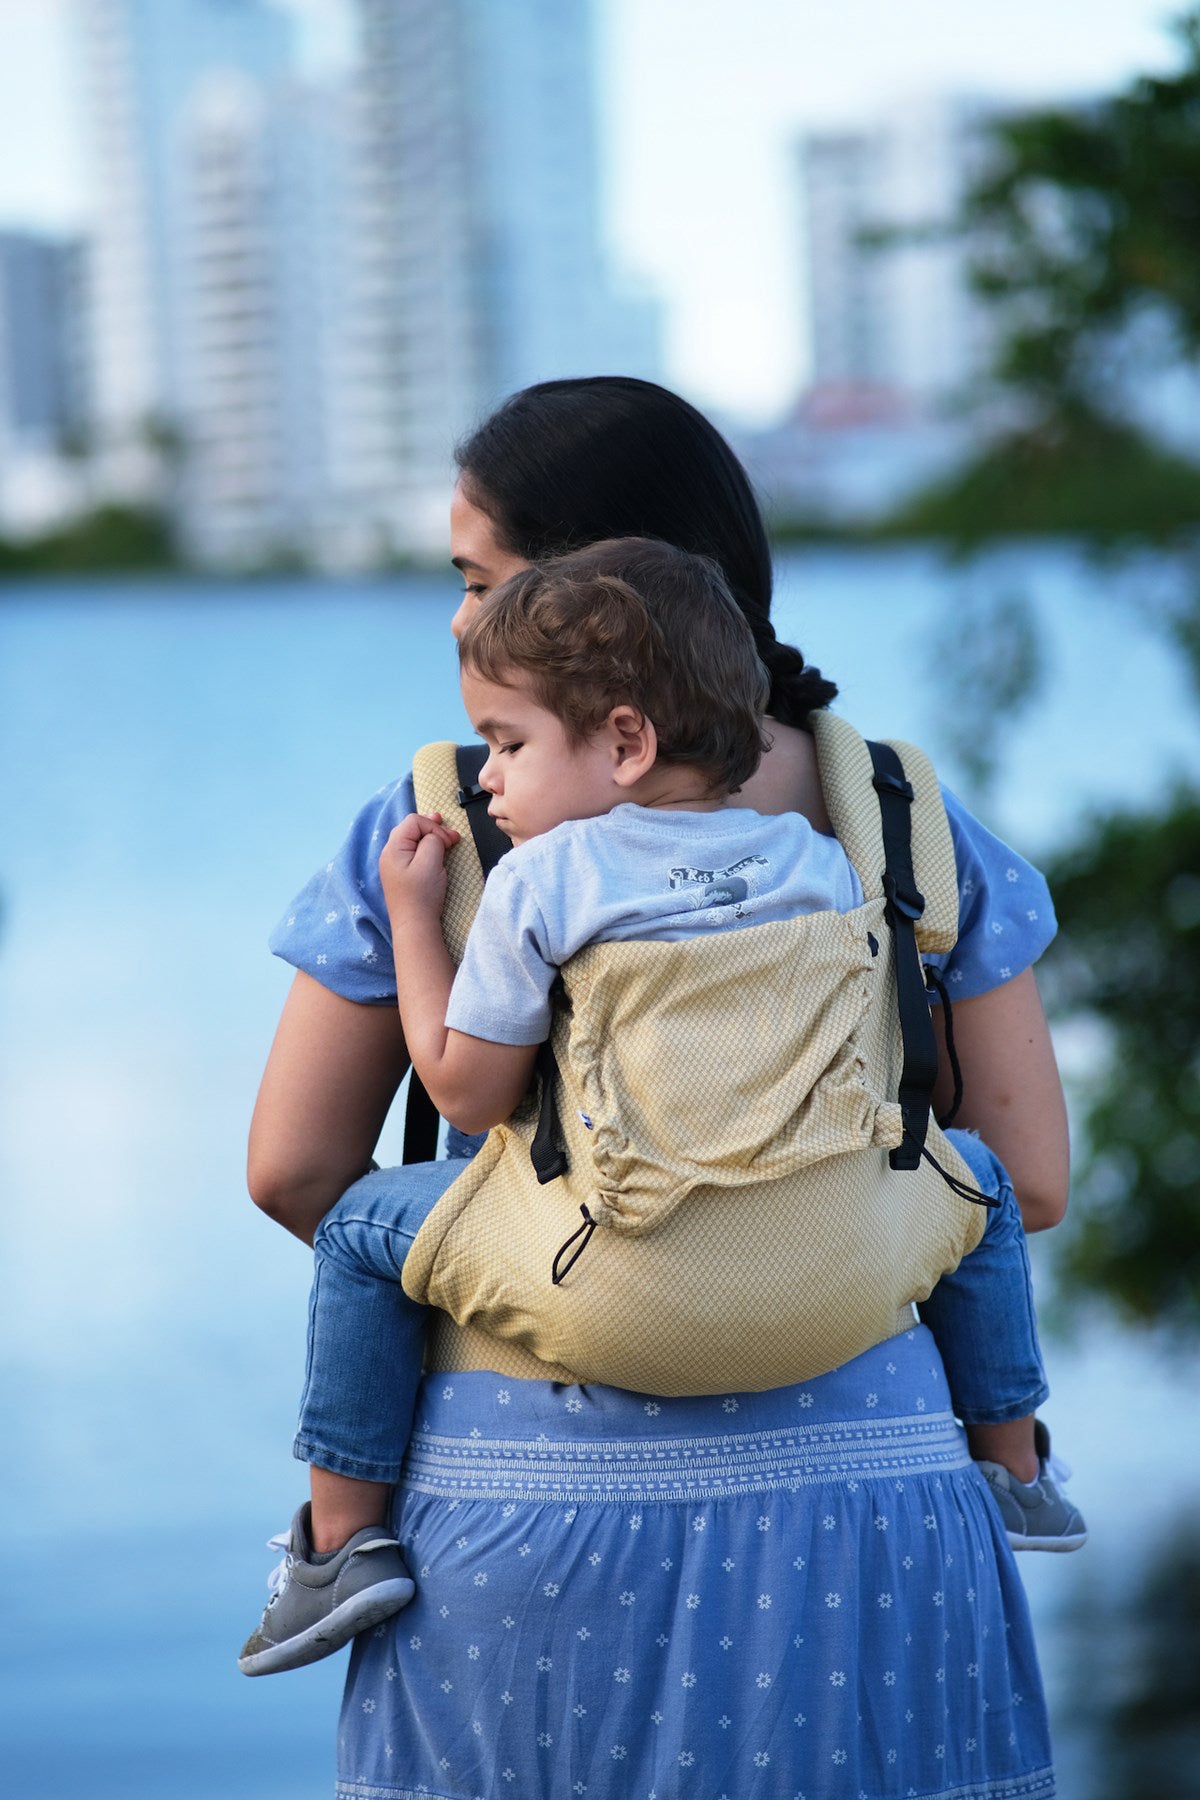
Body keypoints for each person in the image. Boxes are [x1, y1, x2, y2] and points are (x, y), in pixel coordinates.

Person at [249, 377, 1066, 1797]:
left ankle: (331, 1546)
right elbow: (1028, 1179)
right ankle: (1023, 1461)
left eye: (481, 581)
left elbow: (296, 1173)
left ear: (594, 605)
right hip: (876, 1509)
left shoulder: (447, 821)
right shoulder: (898, 816)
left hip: (537, 1521)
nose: (457, 621)